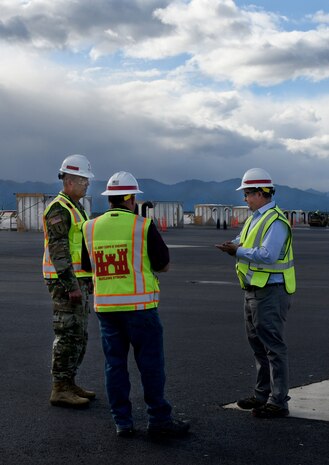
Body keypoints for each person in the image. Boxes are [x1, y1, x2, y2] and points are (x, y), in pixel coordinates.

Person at [82, 171, 190, 437]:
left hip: (107, 310)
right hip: (141, 309)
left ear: (109, 199)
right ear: (131, 199)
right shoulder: (142, 226)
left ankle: (122, 422)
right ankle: (159, 420)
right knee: (151, 365)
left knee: (114, 366)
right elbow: (163, 264)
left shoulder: (90, 227)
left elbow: (86, 267)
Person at [216, 168, 296, 419]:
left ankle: (278, 401)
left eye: (248, 193)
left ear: (262, 193)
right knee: (258, 346)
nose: (245, 198)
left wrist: (236, 251)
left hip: (271, 291)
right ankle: (262, 394)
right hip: (253, 290)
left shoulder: (276, 221)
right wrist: (233, 245)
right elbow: (243, 240)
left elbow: (268, 255)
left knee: (273, 347)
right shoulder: (254, 219)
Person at [43, 154, 96, 408]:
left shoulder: (76, 208)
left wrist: (87, 279)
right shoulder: (59, 208)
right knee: (66, 333)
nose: (87, 184)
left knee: (78, 334)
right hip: (64, 282)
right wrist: (71, 285)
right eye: (84, 180)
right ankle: (60, 388)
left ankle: (69, 381)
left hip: (77, 280)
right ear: (70, 181)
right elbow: (59, 251)